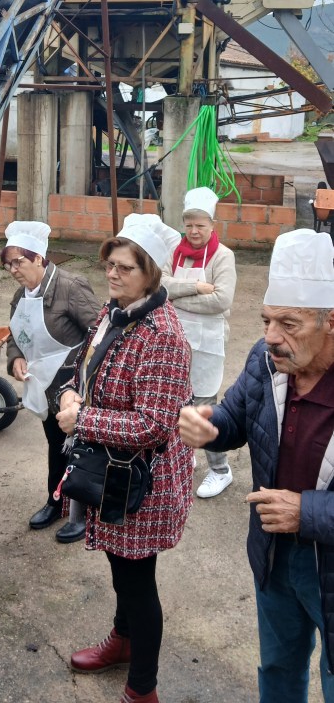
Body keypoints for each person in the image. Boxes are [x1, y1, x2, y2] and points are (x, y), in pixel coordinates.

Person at [178, 228, 334, 703]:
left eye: (289, 323)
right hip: (274, 553)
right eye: (267, 320)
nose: (271, 337)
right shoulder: (265, 361)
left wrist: (306, 512)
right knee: (278, 666)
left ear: (331, 321)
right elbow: (237, 416)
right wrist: (211, 427)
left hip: (328, 562)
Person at [56, 213, 194, 703]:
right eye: (109, 265)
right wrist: (71, 392)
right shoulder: (114, 311)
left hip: (144, 482)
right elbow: (85, 364)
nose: (112, 274)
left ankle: (142, 688)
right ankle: (122, 640)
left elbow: (155, 425)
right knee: (121, 567)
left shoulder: (162, 335)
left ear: (150, 273)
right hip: (113, 471)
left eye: (125, 268)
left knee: (137, 581)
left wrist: (84, 420)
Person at [3, 221, 100, 544]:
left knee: (81, 448)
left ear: (38, 258)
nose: (13, 270)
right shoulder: (21, 295)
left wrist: (84, 382)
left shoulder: (70, 287)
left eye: (18, 262)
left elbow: (99, 334)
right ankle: (56, 501)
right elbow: (16, 333)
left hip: (73, 384)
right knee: (56, 444)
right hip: (43, 385)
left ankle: (82, 514)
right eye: (8, 264)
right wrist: (16, 357)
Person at [161, 186, 236, 498]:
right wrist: (196, 287)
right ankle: (185, 456)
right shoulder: (175, 252)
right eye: (189, 224)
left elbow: (221, 300)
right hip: (176, 342)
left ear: (212, 225)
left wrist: (177, 297)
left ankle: (220, 470)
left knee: (204, 408)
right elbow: (160, 286)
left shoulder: (223, 256)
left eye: (200, 225)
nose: (194, 231)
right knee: (178, 403)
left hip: (207, 344)